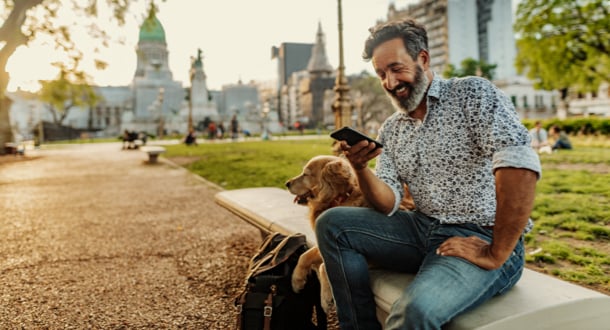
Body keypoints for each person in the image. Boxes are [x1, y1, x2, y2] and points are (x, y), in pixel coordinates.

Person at [316, 18, 541, 329]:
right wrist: (360, 168)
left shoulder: (471, 95)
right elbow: (388, 203)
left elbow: (519, 164)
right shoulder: (392, 128)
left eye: (396, 68)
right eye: (381, 74)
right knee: (333, 223)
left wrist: (496, 251)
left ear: (422, 58)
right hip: (421, 229)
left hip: (479, 235)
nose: (390, 82)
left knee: (414, 313)